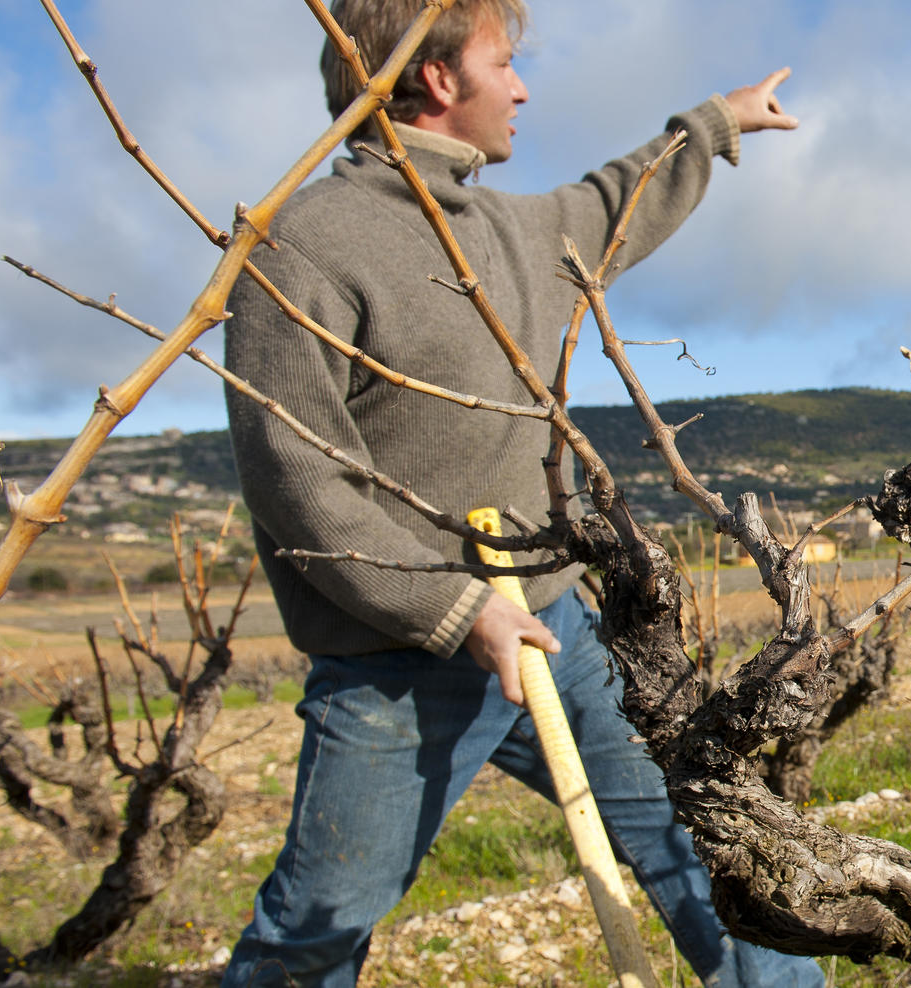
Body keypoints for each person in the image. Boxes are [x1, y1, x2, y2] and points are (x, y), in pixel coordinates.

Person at [218, 1, 819, 985]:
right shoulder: (305, 246)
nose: (525, 87)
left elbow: (612, 201)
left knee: (716, 844)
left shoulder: (509, 228)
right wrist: (458, 610)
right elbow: (296, 478)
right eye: (506, 63)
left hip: (559, 631)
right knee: (313, 933)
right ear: (441, 79)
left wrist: (715, 122)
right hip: (399, 662)